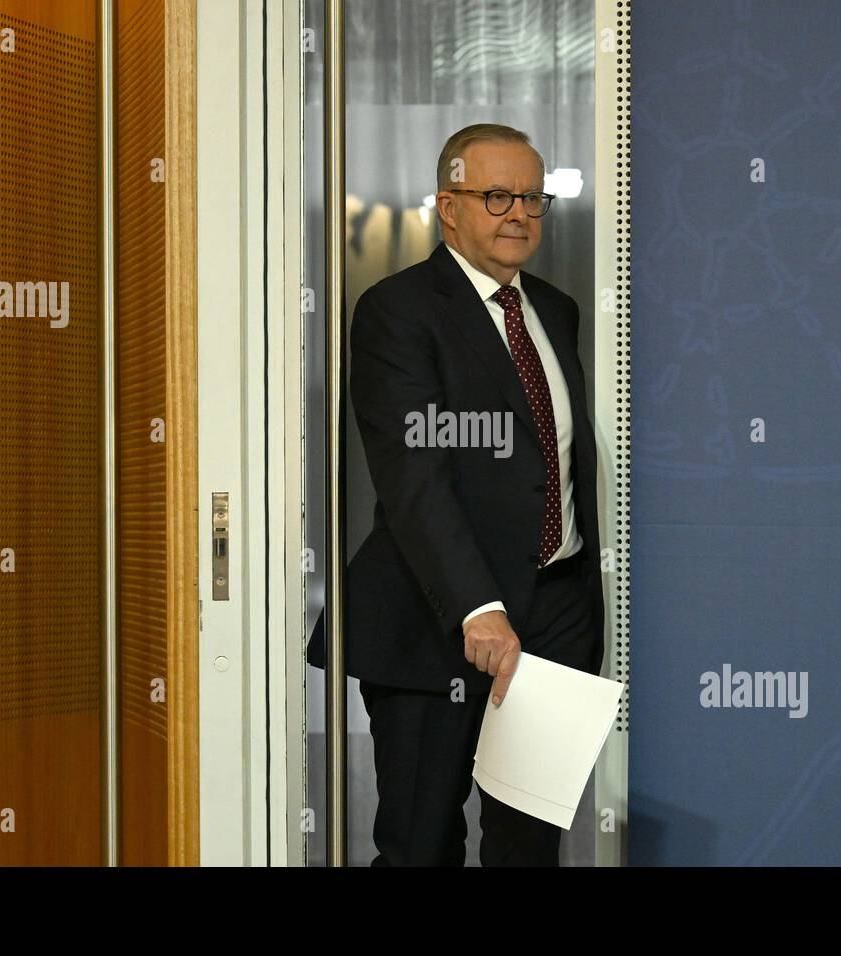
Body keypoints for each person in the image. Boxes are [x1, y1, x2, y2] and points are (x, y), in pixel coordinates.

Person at [307, 123, 604, 866]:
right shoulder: (397, 310)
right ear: (448, 206)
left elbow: (551, 464)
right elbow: (416, 477)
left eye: (532, 199)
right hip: (437, 619)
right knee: (421, 844)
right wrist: (480, 607)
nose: (518, 215)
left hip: (556, 620)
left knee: (529, 849)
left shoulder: (555, 311)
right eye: (496, 195)